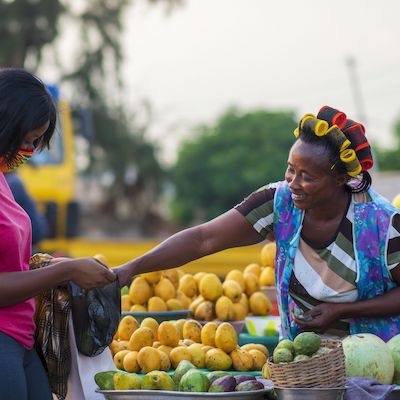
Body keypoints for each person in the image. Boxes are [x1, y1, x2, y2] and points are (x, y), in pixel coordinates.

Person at [115, 105, 400, 342]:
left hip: (378, 371)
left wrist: (343, 311)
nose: (294, 183)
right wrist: (132, 268)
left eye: (308, 177)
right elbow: (204, 238)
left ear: (340, 179)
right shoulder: (279, 203)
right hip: (304, 369)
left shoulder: (381, 224)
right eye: (291, 169)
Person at [0, 68, 116, 400]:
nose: (31, 152)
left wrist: (50, 266)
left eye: (36, 142)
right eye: (27, 141)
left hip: (21, 339)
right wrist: (65, 270)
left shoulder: (4, 180)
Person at [5, 171, 49, 249]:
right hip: (30, 231)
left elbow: (4, 205)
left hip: (31, 233)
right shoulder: (13, 179)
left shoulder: (13, 182)